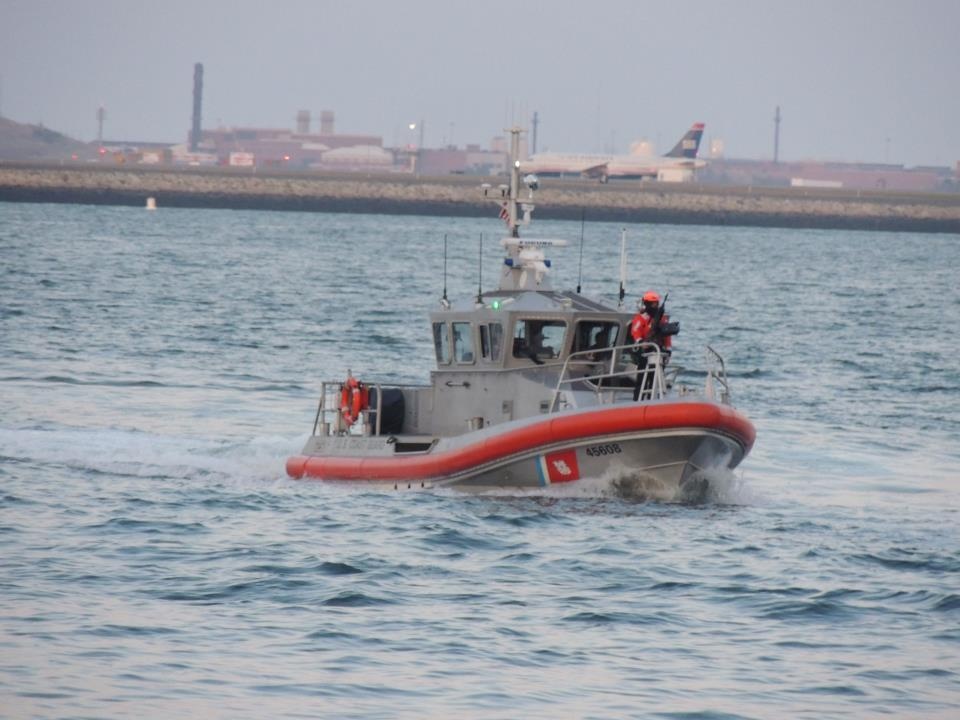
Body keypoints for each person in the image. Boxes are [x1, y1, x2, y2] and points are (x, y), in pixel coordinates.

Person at [630, 290, 675, 400]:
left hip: (658, 351)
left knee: (655, 379)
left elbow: (666, 335)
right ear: (647, 304)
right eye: (654, 304)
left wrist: (668, 351)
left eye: (657, 304)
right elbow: (636, 332)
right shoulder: (640, 318)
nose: (656, 306)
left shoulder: (661, 318)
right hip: (645, 352)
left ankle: (652, 399)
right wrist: (641, 342)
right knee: (642, 380)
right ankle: (638, 400)